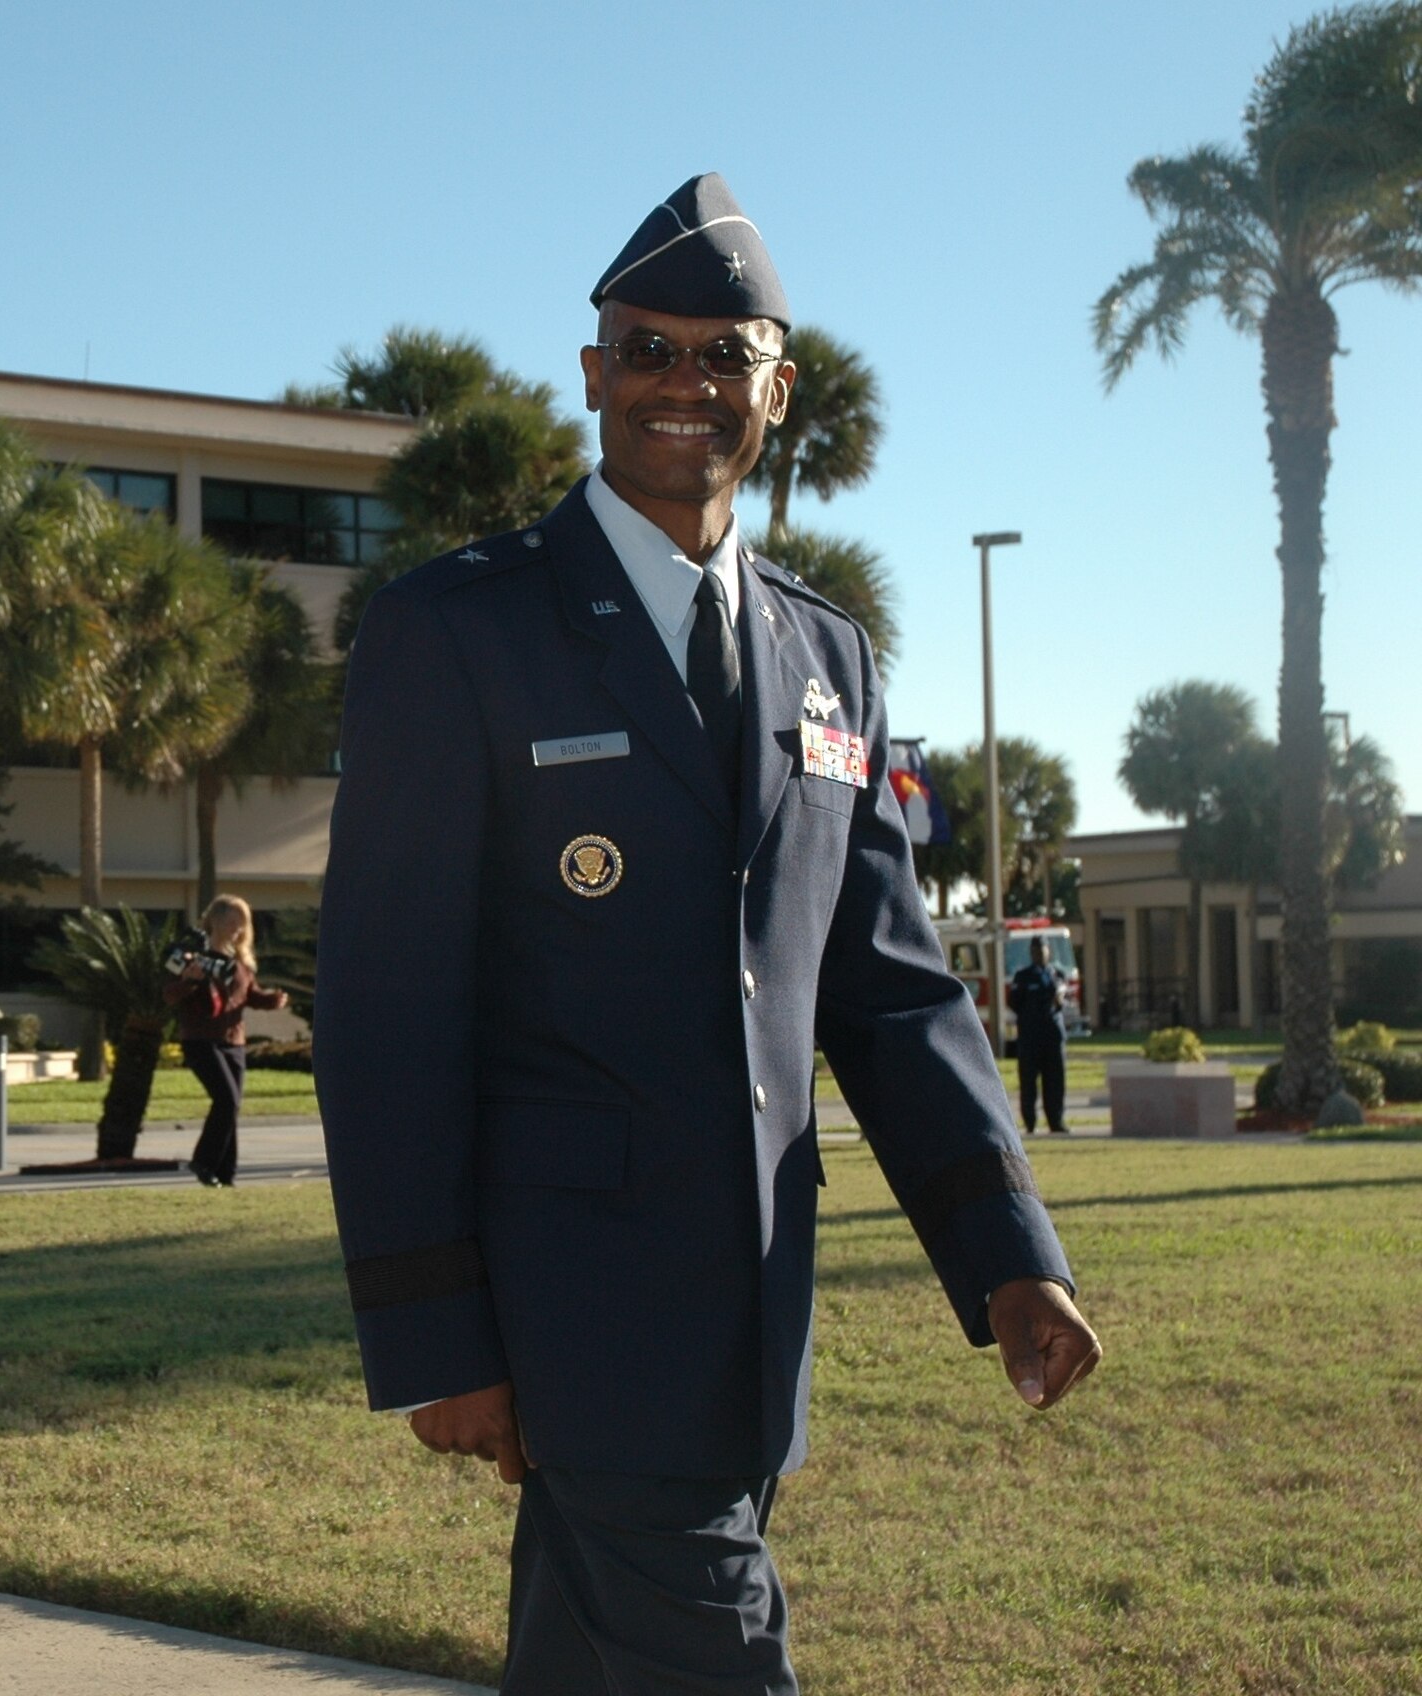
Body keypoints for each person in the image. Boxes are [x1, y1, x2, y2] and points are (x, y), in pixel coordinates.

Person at [315, 173, 1101, 1693]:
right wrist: (435, 1334)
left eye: (722, 355)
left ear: (776, 390)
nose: (686, 385)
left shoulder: (828, 656)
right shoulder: (461, 631)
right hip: (572, 1312)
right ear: (594, 371)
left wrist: (1005, 1250)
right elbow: (387, 1008)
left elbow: (885, 987)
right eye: (650, 349)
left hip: (755, 1308)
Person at [164, 894, 288, 1188]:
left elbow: (250, 996)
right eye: (233, 922)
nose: (238, 929)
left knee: (231, 1105)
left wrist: (273, 1000)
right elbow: (170, 994)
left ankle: (225, 1172)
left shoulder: (239, 963)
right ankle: (204, 1162)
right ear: (216, 921)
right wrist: (192, 980)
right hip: (201, 1040)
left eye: (242, 924)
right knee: (227, 1100)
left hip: (234, 1042)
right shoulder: (192, 956)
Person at [1008, 937, 1070, 1135]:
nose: (1039, 954)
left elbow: (1062, 1001)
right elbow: (1014, 1002)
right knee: (1028, 1082)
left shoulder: (1057, 975)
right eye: (1035, 951)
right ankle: (1030, 1123)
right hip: (1031, 1036)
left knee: (1055, 1081)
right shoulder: (1023, 976)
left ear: (1048, 951)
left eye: (1042, 950)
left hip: (1053, 1035)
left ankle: (1056, 1121)